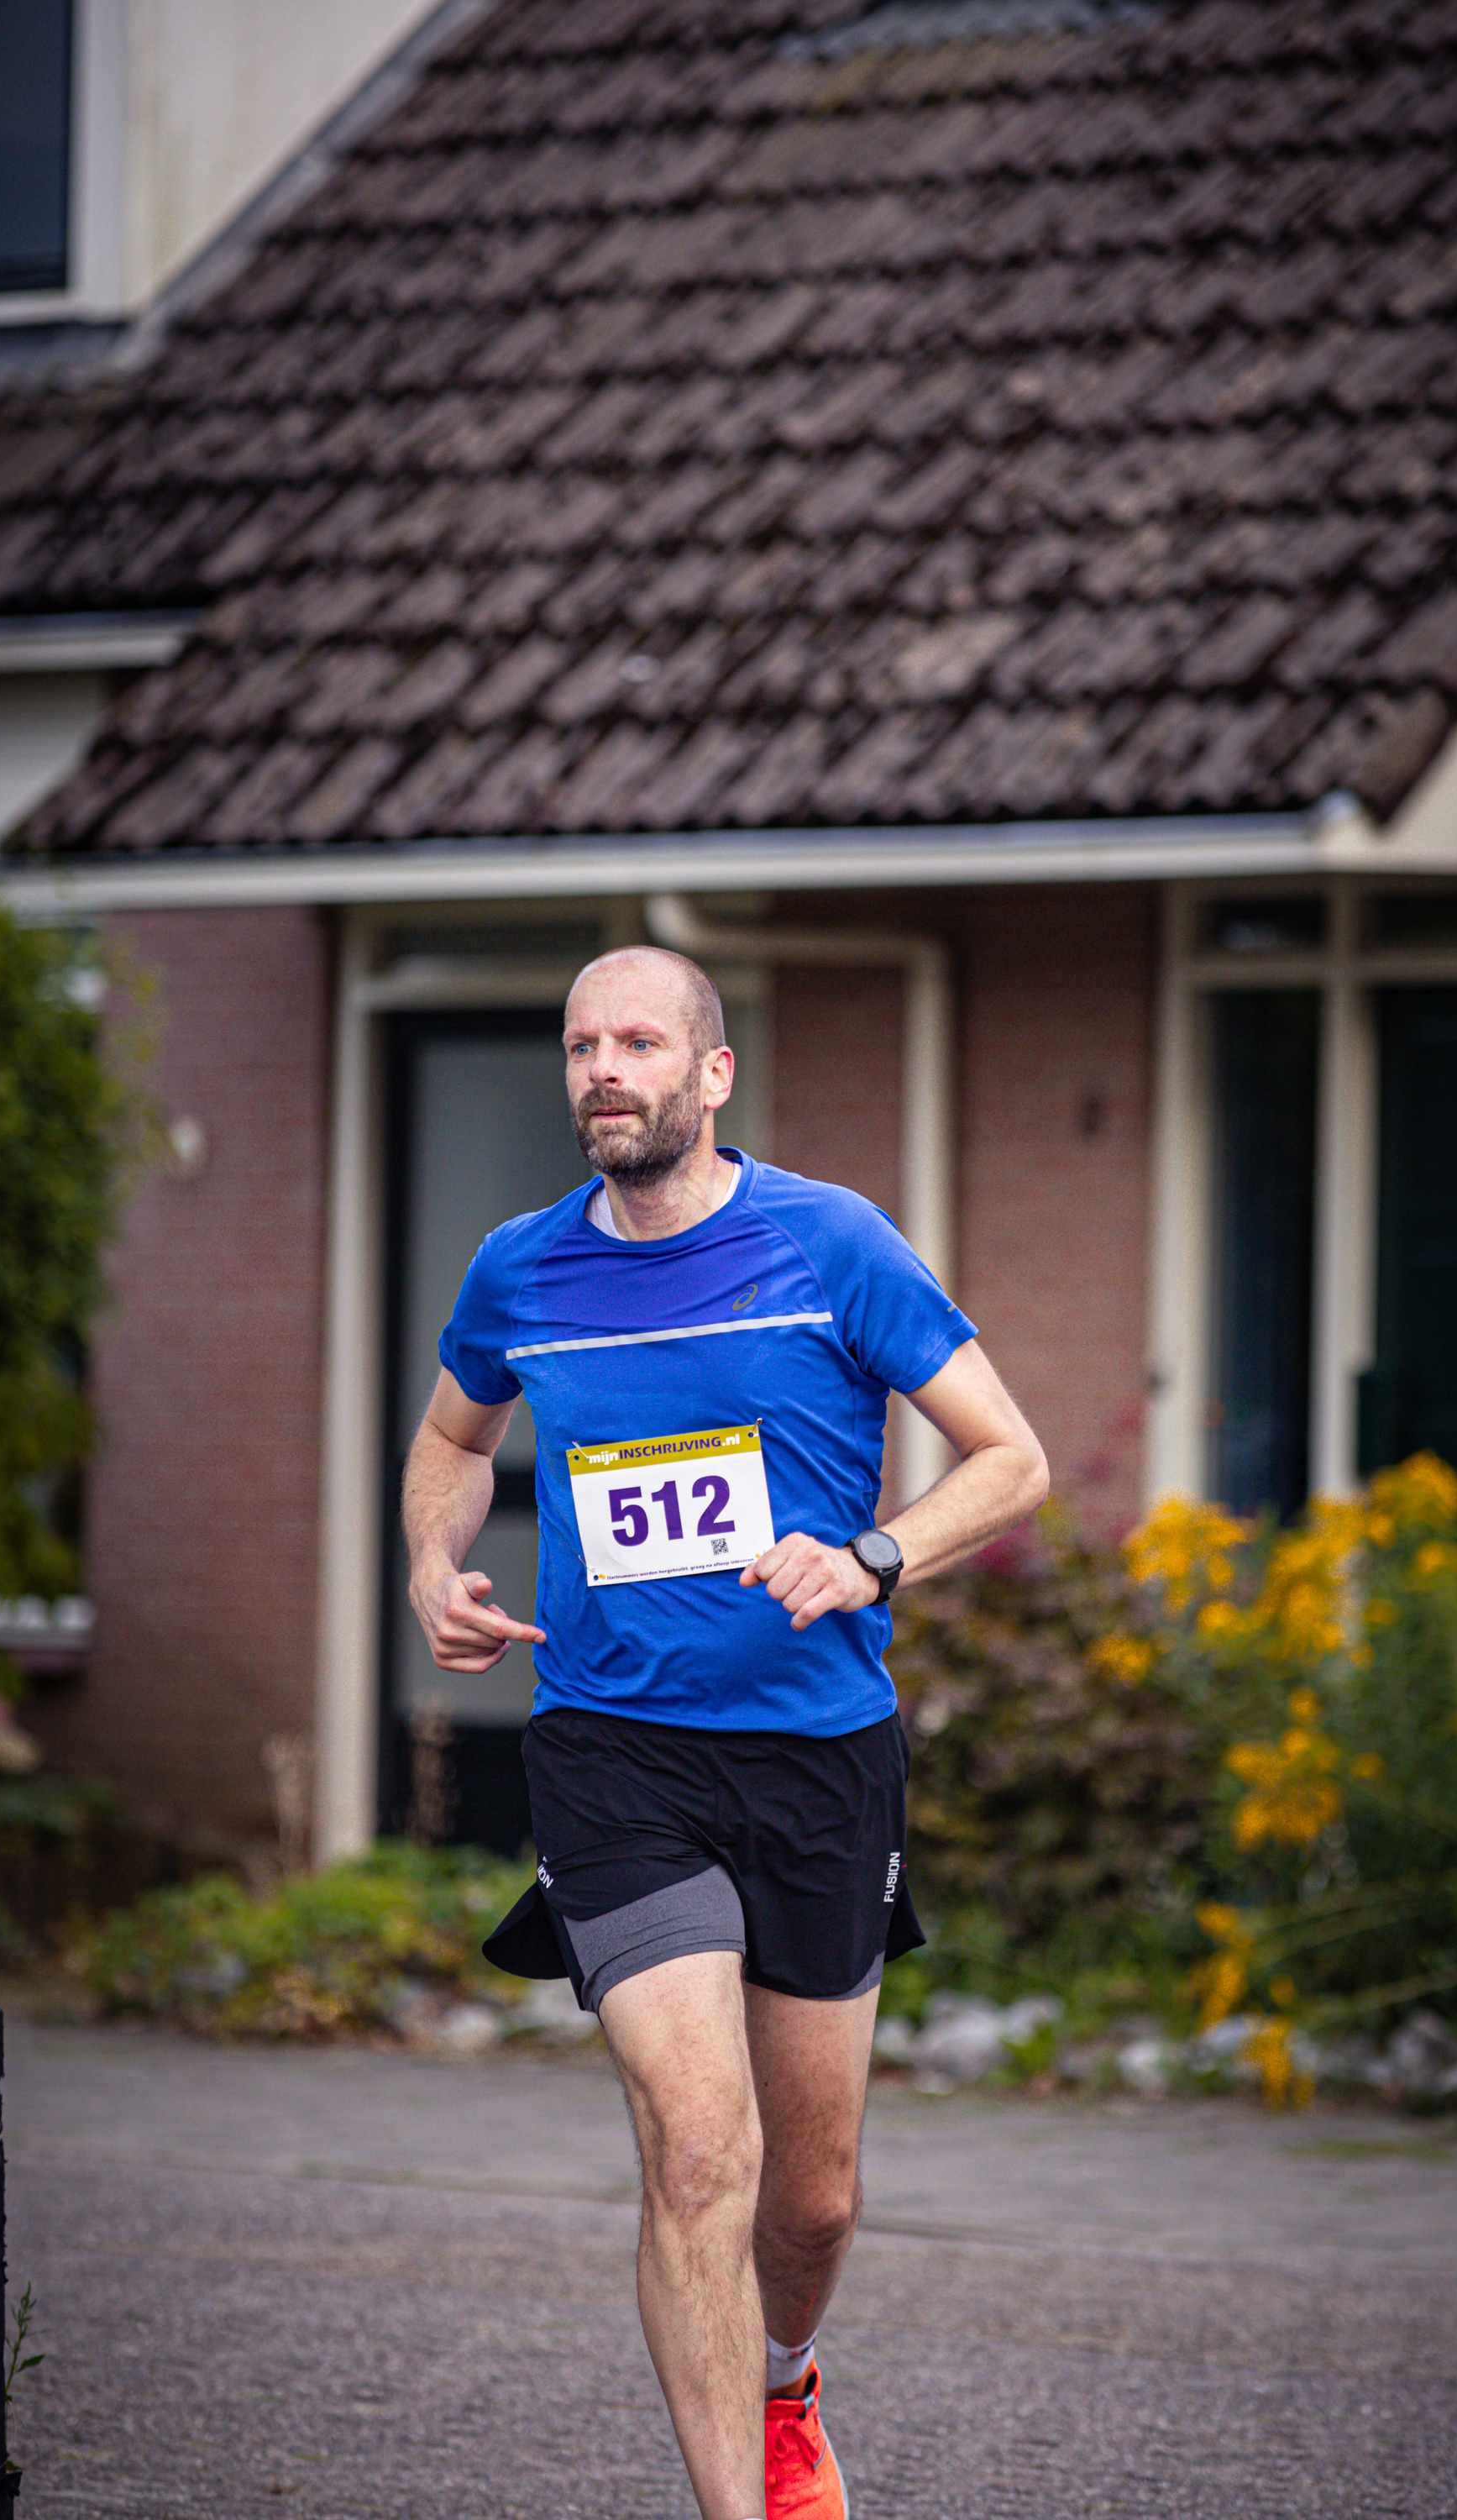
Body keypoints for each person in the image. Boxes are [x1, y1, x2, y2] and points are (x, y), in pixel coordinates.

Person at [403, 946, 1048, 2520]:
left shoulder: (834, 1245)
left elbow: (1009, 1458)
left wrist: (873, 1553)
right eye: (578, 1046)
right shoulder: (520, 1269)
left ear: (712, 1073)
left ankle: (785, 2378)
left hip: (821, 1752)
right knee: (700, 2146)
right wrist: (433, 1564)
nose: (601, 1070)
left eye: (637, 1042)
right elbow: (449, 1436)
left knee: (809, 2203)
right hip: (613, 1749)